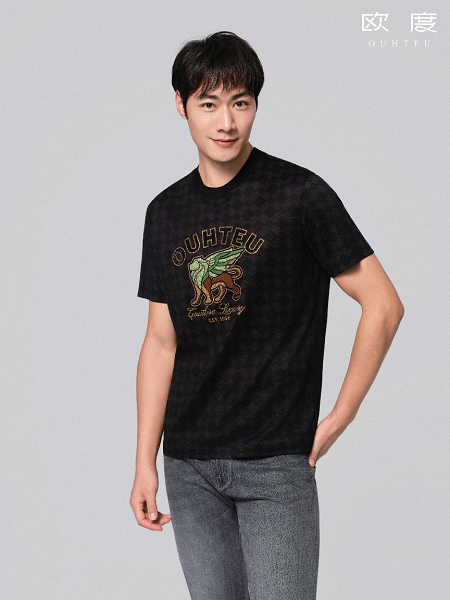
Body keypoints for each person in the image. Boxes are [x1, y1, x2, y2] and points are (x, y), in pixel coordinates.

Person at [129, 31, 404, 600]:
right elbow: (160, 342)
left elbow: (383, 303)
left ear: (255, 104)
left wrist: (342, 414)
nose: (226, 122)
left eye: (241, 102)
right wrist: (144, 463)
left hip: (275, 463)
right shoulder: (165, 213)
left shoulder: (298, 195)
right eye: (209, 103)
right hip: (189, 465)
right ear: (181, 105)